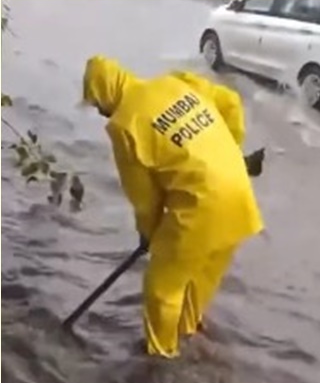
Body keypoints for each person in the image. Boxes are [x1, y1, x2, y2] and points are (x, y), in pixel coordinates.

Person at [82, 55, 264, 358]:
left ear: (106, 91)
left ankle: (162, 358)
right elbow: (231, 102)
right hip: (240, 194)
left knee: (161, 288)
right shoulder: (177, 81)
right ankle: (189, 336)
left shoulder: (124, 124)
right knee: (196, 279)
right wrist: (230, 151)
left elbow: (145, 199)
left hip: (201, 205)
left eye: (98, 104)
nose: (101, 111)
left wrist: (149, 235)